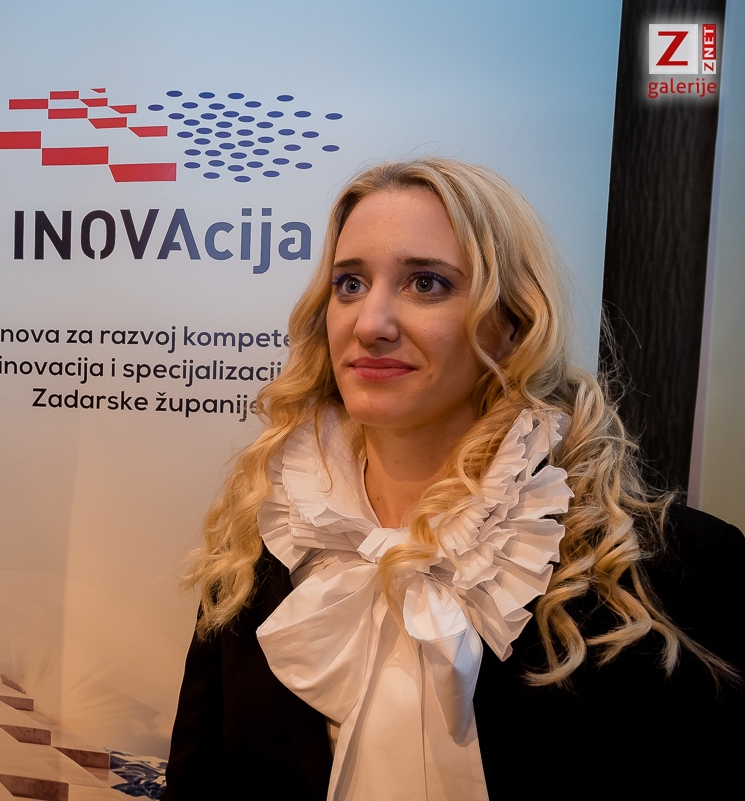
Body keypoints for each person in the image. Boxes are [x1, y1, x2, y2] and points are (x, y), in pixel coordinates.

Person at [161, 158, 744, 801]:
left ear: (513, 322)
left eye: (426, 284)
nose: (370, 324)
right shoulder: (262, 539)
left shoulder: (684, 569)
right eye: (350, 284)